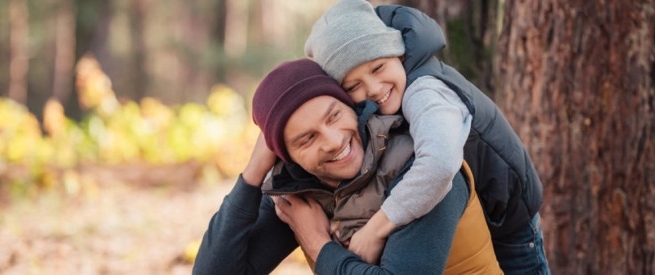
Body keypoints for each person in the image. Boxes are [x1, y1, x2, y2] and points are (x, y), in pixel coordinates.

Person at [304, 0, 548, 274]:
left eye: (378, 67)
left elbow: (439, 165)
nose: (373, 88)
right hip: (470, 217)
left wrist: (376, 228)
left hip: (509, 223)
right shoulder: (392, 91)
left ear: (399, 55)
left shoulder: (425, 91)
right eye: (353, 85)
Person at [192, 59, 501, 274]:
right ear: (286, 156)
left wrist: (318, 244)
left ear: (352, 107)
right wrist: (252, 175)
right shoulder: (301, 189)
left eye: (334, 116)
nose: (333, 141)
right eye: (306, 139)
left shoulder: (419, 170)